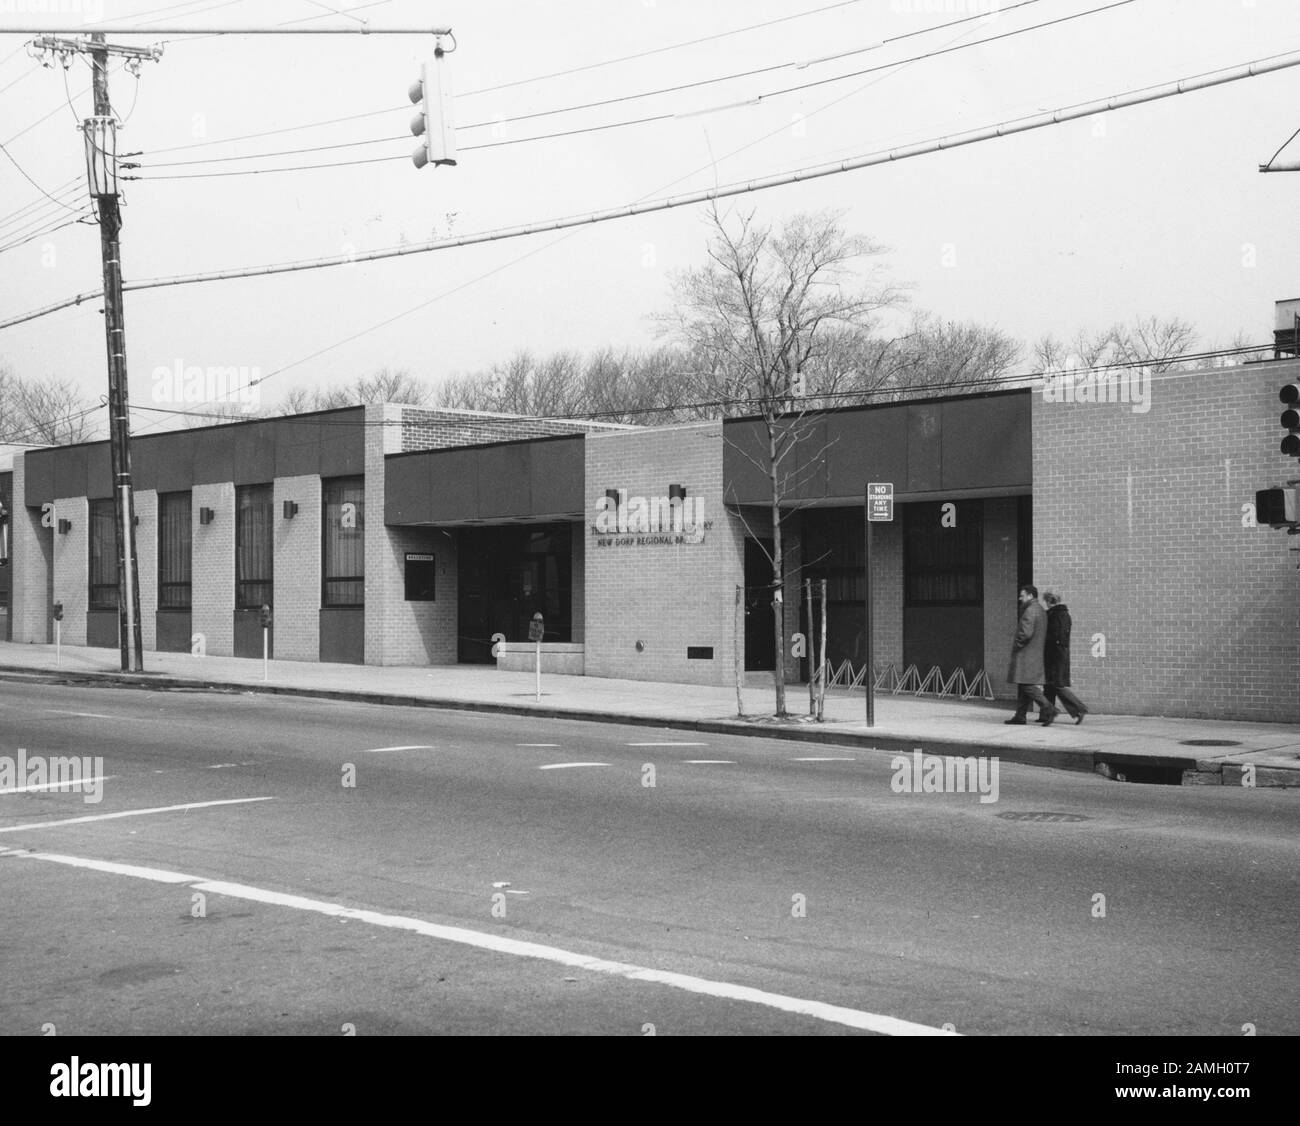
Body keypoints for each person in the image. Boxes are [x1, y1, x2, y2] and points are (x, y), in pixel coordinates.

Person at [1005, 585, 1058, 726]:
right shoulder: (1040, 610)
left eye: (1022, 595)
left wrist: (1016, 645)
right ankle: (1020, 716)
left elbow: (1025, 634)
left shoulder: (1030, 611)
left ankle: (1049, 708)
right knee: (1024, 684)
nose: (1020, 598)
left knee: (1027, 686)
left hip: (1026, 654)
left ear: (1030, 596)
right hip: (1035, 654)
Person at [1042, 591, 1089, 725]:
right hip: (1060, 655)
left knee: (1055, 684)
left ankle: (1079, 708)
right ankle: (1047, 715)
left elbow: (1052, 637)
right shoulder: (1065, 614)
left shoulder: (1053, 615)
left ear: (1049, 601)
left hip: (1053, 656)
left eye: (1046, 601)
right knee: (1051, 685)